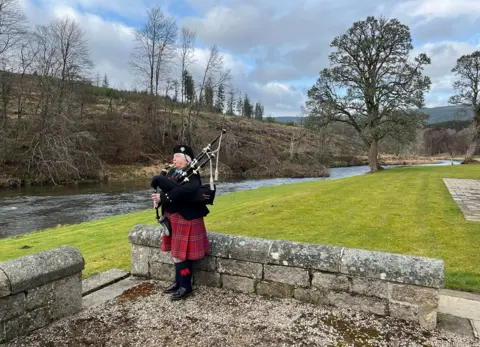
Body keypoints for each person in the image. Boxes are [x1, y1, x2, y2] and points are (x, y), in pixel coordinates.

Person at [151, 144, 210, 301]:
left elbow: (183, 190)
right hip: (173, 216)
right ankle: (178, 283)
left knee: (181, 255)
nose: (173, 159)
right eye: (174, 156)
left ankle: (186, 286)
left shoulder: (192, 174)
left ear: (187, 160)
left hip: (186, 217)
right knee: (176, 254)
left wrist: (163, 194)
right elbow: (168, 190)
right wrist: (158, 200)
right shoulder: (172, 172)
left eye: (177, 156)